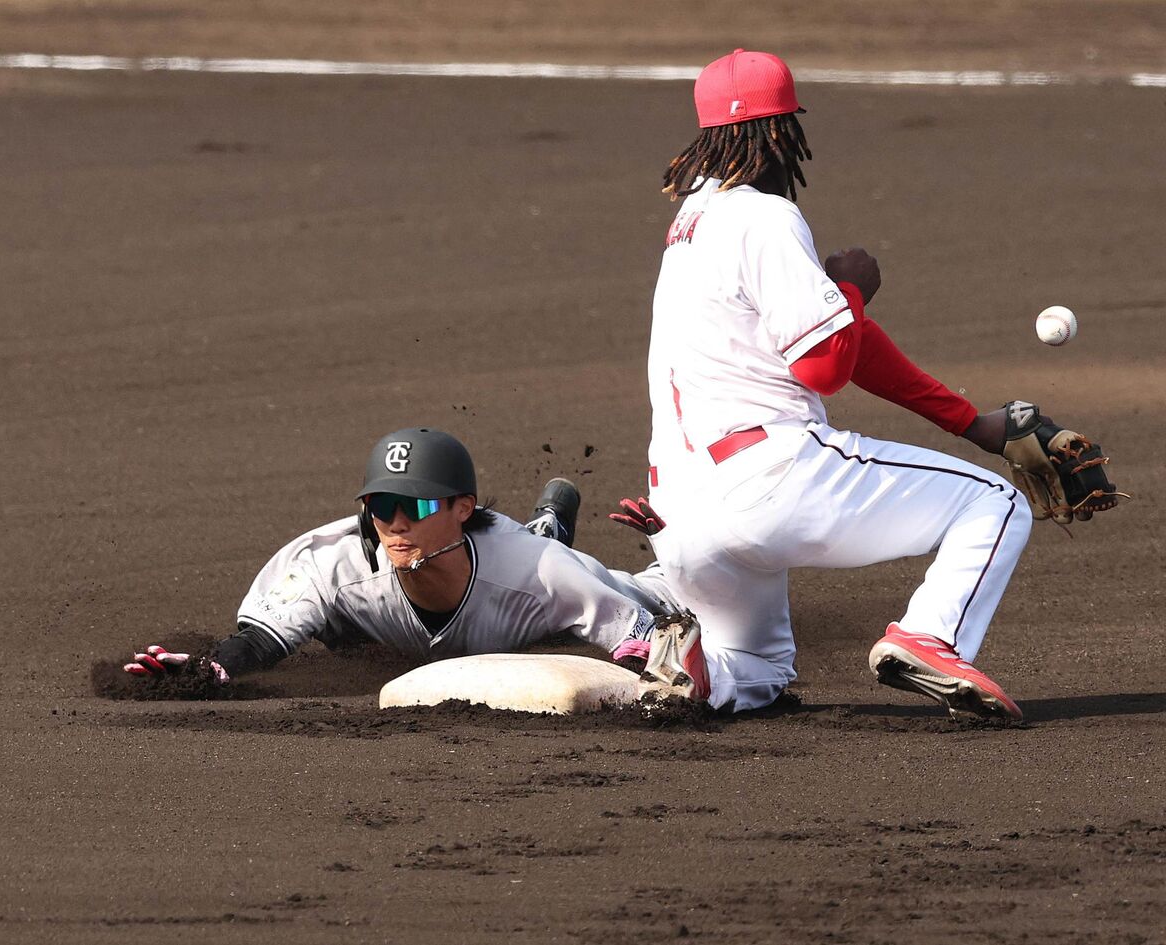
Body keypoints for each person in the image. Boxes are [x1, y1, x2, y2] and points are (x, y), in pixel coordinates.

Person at [625, 49, 1045, 721]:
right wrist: (851, 286)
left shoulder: (690, 225)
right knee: (995, 506)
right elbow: (823, 366)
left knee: (758, 668)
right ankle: (928, 637)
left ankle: (693, 670)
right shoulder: (764, 218)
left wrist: (971, 423)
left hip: (679, 513)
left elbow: (851, 345)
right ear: (781, 133)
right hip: (770, 480)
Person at [125, 427, 679, 684]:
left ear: (463, 507)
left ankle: (547, 530)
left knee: (669, 589)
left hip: (535, 574)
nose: (395, 522)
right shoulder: (333, 564)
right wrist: (203, 672)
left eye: (415, 504)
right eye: (380, 505)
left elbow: (650, 636)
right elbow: (255, 644)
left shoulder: (541, 575)